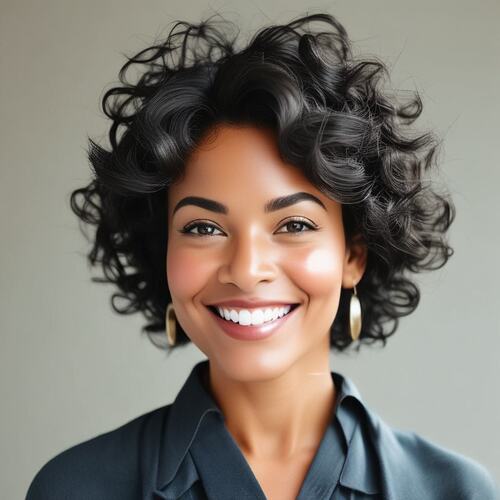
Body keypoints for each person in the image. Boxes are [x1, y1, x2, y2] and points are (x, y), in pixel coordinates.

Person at [26, 12, 499, 500]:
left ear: (353, 255)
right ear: (163, 251)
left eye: (294, 225)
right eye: (204, 227)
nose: (247, 271)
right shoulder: (75, 488)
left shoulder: (453, 491)